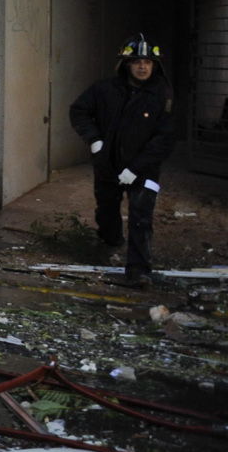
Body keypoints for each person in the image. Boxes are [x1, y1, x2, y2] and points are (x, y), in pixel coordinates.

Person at [68, 33, 176, 288]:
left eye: (148, 62)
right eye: (137, 61)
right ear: (126, 64)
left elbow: (165, 137)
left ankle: (138, 271)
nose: (142, 66)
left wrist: (136, 168)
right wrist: (94, 139)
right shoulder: (104, 89)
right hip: (108, 164)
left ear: (155, 65)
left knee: (141, 217)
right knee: (107, 212)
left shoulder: (163, 95)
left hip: (144, 169)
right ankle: (110, 242)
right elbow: (79, 110)